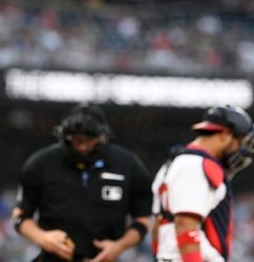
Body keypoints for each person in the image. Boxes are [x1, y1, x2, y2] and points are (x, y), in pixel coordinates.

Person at [11, 102, 153, 261]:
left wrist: (119, 246)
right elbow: (20, 215)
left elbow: (143, 220)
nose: (82, 146)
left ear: (103, 136)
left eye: (88, 139)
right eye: (76, 139)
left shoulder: (128, 165)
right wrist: (42, 237)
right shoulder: (40, 163)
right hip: (52, 258)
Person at [151, 105, 254, 262]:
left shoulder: (176, 161)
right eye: (239, 142)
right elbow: (185, 225)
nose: (240, 150)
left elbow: (157, 226)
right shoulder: (196, 164)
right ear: (224, 135)